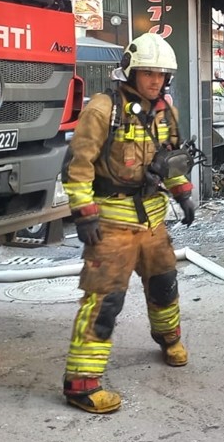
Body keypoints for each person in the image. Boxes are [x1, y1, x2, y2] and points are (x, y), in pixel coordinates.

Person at [60, 32, 199, 414]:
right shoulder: (103, 110)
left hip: (153, 221)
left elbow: (169, 160)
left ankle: (169, 340)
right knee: (104, 302)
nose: (155, 80)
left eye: (161, 75)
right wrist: (84, 213)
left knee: (164, 286)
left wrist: (183, 192)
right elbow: (78, 165)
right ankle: (82, 385)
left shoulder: (165, 113)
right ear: (131, 71)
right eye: (148, 73)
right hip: (112, 226)